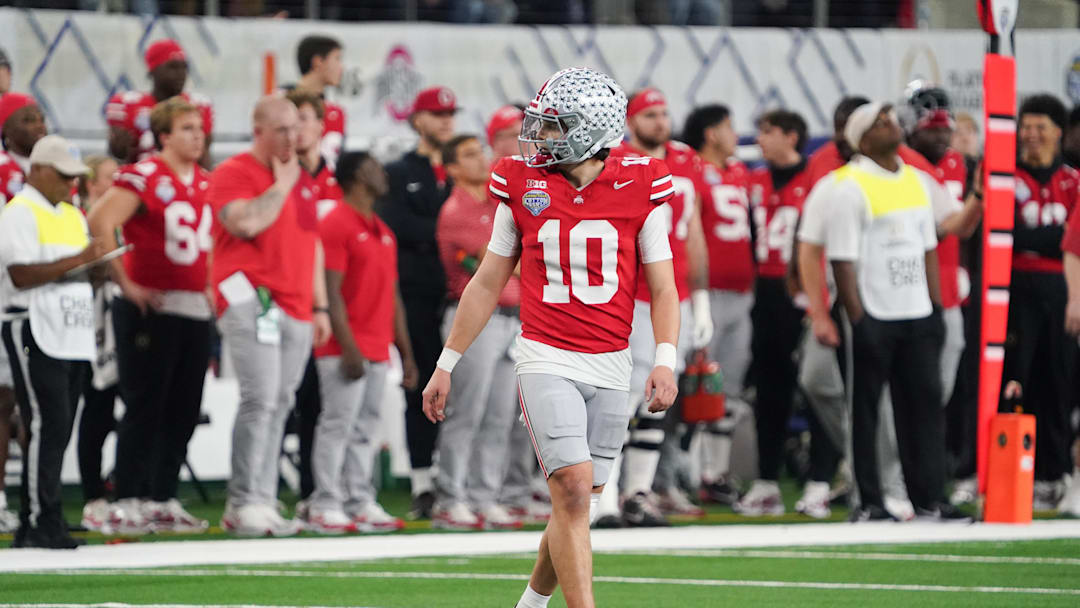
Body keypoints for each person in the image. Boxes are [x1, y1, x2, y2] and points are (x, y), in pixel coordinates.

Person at [423, 67, 679, 608]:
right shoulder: (520, 181)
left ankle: (531, 603)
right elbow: (488, 279)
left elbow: (663, 287)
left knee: (577, 502)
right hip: (546, 354)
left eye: (557, 126)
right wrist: (447, 362)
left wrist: (665, 358)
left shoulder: (643, 181)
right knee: (570, 489)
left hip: (612, 358)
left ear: (592, 130)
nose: (542, 136)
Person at [797, 102, 968, 523]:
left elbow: (929, 246)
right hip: (871, 313)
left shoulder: (918, 180)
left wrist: (934, 308)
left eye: (891, 119)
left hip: (917, 313)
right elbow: (842, 260)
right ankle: (868, 500)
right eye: (881, 122)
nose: (892, 125)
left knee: (925, 409)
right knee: (865, 411)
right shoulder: (847, 186)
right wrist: (857, 317)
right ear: (862, 138)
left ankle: (930, 497)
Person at [87, 97, 214, 535]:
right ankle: (126, 497)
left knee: (184, 408)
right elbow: (99, 220)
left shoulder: (204, 181)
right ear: (163, 135)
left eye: (199, 128)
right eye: (186, 128)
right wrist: (126, 283)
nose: (197, 135)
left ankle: (162, 496)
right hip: (151, 307)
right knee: (145, 404)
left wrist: (213, 287)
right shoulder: (144, 176)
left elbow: (207, 244)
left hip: (194, 307)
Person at [208, 96, 331, 537]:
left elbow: (311, 242)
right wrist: (280, 185)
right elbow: (244, 224)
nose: (290, 137)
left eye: (295, 127)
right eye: (280, 129)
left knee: (280, 403)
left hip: (297, 303)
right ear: (258, 130)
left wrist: (320, 305)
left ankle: (262, 496)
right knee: (260, 399)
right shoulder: (234, 172)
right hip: (252, 298)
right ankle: (244, 501)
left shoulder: (303, 179)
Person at [604, 87, 711, 527]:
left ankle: (639, 492)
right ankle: (604, 495)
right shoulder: (615, 159)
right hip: (634, 294)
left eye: (665, 113)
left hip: (675, 294)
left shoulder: (686, 161)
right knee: (621, 396)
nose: (660, 121)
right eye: (650, 114)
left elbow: (695, 229)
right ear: (630, 121)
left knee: (657, 398)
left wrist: (701, 299)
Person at [0, 135, 106, 548]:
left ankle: (39, 517)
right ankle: (43, 516)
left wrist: (96, 268)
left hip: (70, 331)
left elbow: (69, 269)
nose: (71, 184)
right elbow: (20, 275)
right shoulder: (19, 212)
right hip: (33, 326)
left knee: (58, 425)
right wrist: (80, 261)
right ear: (38, 170)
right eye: (64, 176)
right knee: (46, 422)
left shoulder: (70, 213)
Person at [735, 109, 839, 517]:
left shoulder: (816, 181)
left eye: (768, 131)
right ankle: (766, 482)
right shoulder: (755, 180)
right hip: (767, 293)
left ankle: (821, 481)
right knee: (770, 392)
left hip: (806, 292)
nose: (760, 139)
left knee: (816, 389)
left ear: (792, 137)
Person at [307, 150, 416, 534]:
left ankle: (358, 498)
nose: (382, 172)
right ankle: (325, 501)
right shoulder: (336, 222)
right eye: (373, 166)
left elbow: (394, 296)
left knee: (366, 427)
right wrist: (346, 344)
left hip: (376, 344)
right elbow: (331, 291)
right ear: (354, 177)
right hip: (345, 346)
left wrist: (405, 353)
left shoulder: (381, 230)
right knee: (337, 424)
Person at [430, 134, 525, 530]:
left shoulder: (494, 203)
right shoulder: (456, 211)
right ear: (450, 168)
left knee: (501, 413)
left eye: (480, 151)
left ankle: (486, 495)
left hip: (511, 318)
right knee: (467, 412)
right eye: (469, 155)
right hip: (477, 320)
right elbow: (500, 262)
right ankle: (451, 498)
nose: (481, 159)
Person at [376, 86, 457, 520]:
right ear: (417, 119)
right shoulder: (399, 170)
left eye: (450, 114)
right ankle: (423, 481)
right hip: (419, 294)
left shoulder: (462, 168)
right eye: (437, 114)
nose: (446, 121)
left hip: (462, 293)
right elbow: (398, 224)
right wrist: (451, 232)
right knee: (423, 385)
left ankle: (460, 481)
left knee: (475, 395)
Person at [1003, 94, 1079, 510]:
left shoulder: (1072, 180)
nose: (1030, 136)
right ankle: (1012, 469)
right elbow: (1008, 234)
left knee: (1059, 380)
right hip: (1016, 289)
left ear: (1058, 132)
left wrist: (1043, 242)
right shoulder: (1006, 177)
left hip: (1061, 291)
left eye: (1040, 127)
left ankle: (1054, 473)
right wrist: (1055, 241)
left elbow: (1071, 240)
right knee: (1017, 378)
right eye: (1025, 127)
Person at [682, 103, 752, 505]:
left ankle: (715, 474)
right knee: (695, 385)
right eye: (728, 126)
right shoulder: (692, 170)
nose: (734, 133)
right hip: (704, 293)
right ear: (710, 132)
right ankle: (684, 470)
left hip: (741, 292)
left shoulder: (738, 172)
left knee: (729, 390)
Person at [282, 89, 345, 519]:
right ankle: (268, 491)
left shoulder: (336, 183)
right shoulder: (278, 176)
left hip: (329, 303)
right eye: (291, 120)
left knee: (322, 403)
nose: (298, 128)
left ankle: (321, 490)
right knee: (285, 398)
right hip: (289, 298)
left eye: (305, 118)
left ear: (322, 125)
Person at [0, 91, 45, 532]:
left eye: (40, 118)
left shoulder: (50, 171)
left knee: (26, 407)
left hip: (43, 303)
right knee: (4, 402)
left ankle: (31, 500)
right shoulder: (4, 171)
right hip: (8, 297)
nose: (39, 126)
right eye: (27, 119)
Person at [74, 154, 124, 533]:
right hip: (86, 326)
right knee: (96, 411)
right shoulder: (79, 221)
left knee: (140, 408)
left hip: (123, 318)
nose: (118, 183)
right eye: (112, 177)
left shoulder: (124, 219)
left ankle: (121, 485)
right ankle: (93, 495)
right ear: (91, 184)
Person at [106, 39, 213, 166]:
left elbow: (203, 158)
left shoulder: (198, 106)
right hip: (141, 181)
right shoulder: (128, 105)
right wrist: (118, 152)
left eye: (184, 67)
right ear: (152, 70)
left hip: (183, 181)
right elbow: (117, 156)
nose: (181, 74)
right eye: (172, 67)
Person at [286, 35, 346, 166]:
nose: (341, 67)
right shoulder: (281, 102)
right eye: (337, 59)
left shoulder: (336, 112)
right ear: (318, 61)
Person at [1, 93, 47, 199]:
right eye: (29, 120)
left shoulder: (55, 167)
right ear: (6, 128)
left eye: (42, 119)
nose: (39, 126)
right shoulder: (2, 168)